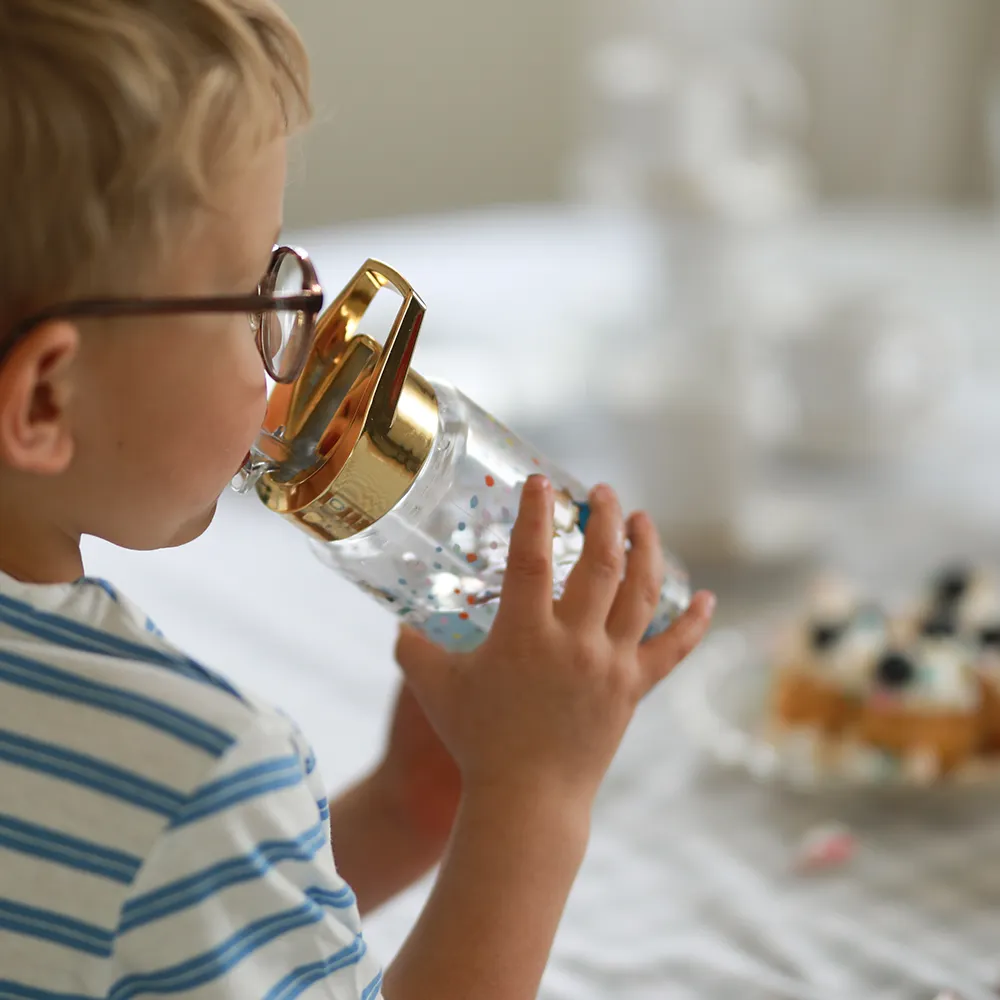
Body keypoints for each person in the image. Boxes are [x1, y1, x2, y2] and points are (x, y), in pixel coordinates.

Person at [0, 2, 716, 997]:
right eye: (258, 288)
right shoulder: (198, 769)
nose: (292, 335)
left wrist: (401, 813)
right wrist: (533, 796)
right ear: (44, 399)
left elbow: (139, 929)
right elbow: (174, 847)